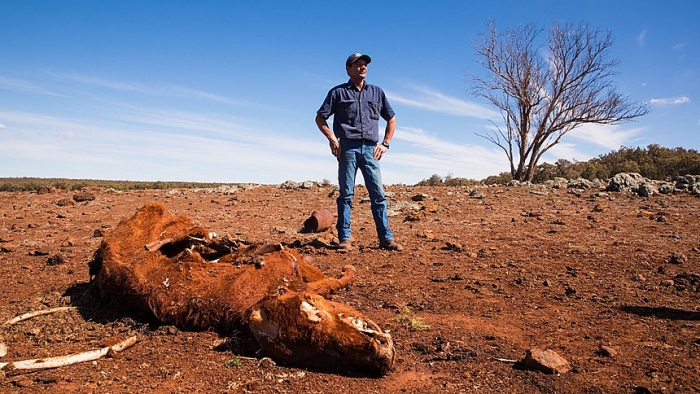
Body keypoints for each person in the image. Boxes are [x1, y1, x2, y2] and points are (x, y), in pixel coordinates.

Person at [315, 52, 402, 252]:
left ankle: (386, 238)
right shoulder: (337, 93)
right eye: (358, 65)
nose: (363, 68)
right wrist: (332, 139)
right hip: (347, 148)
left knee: (378, 195)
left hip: (371, 150)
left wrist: (385, 143)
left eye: (365, 65)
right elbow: (320, 118)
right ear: (348, 69)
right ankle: (344, 238)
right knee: (346, 194)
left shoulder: (377, 92)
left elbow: (392, 118)